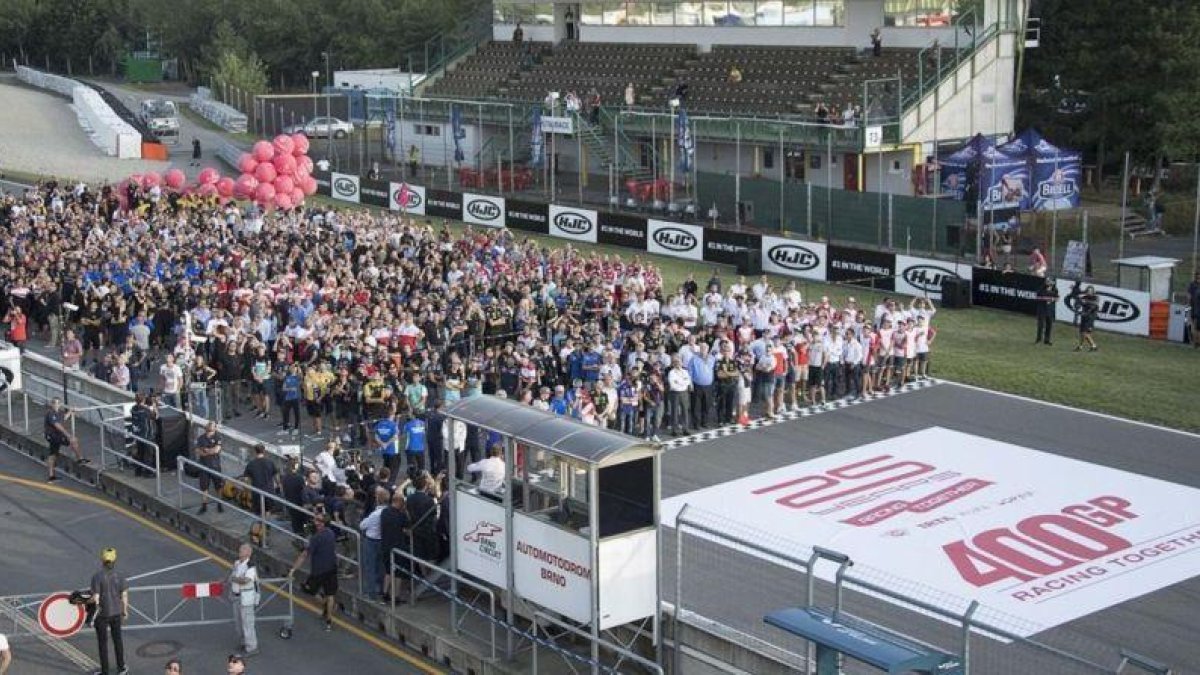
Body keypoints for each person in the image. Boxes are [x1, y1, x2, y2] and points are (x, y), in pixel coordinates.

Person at [288, 512, 338, 631]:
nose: (315, 522)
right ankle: (329, 619)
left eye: (317, 520)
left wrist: (293, 569)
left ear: (321, 523)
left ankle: (325, 605)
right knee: (330, 594)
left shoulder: (316, 538)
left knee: (310, 590)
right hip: (332, 567)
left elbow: (304, 555)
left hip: (318, 570)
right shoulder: (331, 534)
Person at [88, 547, 129, 675]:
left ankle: (105, 671)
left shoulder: (97, 577)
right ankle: (121, 667)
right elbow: (124, 596)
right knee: (118, 640)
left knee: (103, 643)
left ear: (102, 559)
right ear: (114, 560)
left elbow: (96, 598)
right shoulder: (120, 576)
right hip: (116, 613)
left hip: (102, 615)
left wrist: (85, 602)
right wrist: (125, 611)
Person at [228, 543, 260, 657]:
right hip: (236, 596)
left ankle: (252, 647)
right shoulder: (237, 563)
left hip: (246, 599)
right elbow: (232, 574)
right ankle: (244, 643)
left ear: (248, 553)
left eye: (242, 550)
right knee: (239, 623)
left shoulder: (251, 567)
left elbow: (245, 580)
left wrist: (234, 579)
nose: (240, 551)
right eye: (240, 549)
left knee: (247, 623)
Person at [358, 486, 389, 600]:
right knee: (381, 567)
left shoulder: (375, 514)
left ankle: (371, 592)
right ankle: (381, 589)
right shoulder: (388, 512)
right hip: (383, 541)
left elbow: (362, 526)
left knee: (370, 567)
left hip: (371, 541)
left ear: (377, 499)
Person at [45, 398, 87, 481]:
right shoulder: (50, 413)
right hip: (53, 436)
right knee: (73, 440)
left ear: (60, 404)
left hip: (54, 436)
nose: (56, 405)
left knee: (53, 454)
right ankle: (80, 459)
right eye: (54, 403)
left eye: (57, 403)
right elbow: (57, 425)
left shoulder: (59, 413)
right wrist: (68, 435)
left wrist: (70, 411)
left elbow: (63, 418)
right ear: (51, 404)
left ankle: (51, 476)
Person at [194, 421, 225, 514]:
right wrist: (207, 451)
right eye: (209, 425)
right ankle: (204, 505)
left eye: (212, 426)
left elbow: (216, 450)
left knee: (218, 486)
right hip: (204, 466)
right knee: (204, 487)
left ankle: (219, 504)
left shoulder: (218, 437)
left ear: (215, 428)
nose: (210, 427)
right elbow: (197, 451)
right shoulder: (201, 438)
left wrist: (205, 450)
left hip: (215, 466)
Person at [242, 443, 280, 519]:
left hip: (257, 491)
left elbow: (246, 479)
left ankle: (261, 527)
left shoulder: (251, 464)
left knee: (259, 512)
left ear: (255, 451)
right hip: (269, 491)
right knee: (268, 510)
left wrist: (247, 490)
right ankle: (267, 526)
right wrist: (279, 485)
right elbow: (276, 476)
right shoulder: (270, 462)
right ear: (264, 451)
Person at [1074, 285, 1100, 352]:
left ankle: (1094, 346)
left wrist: (1084, 301)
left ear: (1093, 291)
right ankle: (1080, 346)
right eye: (1088, 290)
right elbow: (1078, 305)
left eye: (1090, 291)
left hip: (1090, 317)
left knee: (1085, 332)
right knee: (1082, 332)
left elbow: (1095, 305)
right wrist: (1078, 302)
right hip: (1084, 316)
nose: (1089, 292)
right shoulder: (1084, 297)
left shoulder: (1096, 297)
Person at [1034, 277, 1058, 345]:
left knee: (1049, 325)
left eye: (1050, 281)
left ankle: (1047, 340)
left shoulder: (1055, 289)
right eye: (1047, 281)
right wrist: (1046, 298)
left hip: (1050, 310)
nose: (1048, 282)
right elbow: (1037, 297)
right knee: (1041, 325)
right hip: (1042, 309)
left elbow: (1057, 298)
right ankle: (1038, 340)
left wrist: (1053, 299)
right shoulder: (1041, 288)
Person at [1188, 271, 1200, 348]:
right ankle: (1196, 342)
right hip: (1195, 309)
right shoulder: (1193, 285)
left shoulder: (1193, 285)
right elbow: (1189, 296)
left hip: (1195, 308)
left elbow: (1189, 296)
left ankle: (1196, 342)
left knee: (1196, 327)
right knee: (1196, 327)